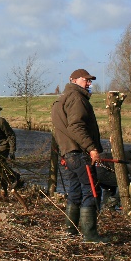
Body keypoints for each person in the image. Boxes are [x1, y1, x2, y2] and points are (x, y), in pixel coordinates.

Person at [51, 68, 106, 242]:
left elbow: (62, 130)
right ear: (74, 80)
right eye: (86, 80)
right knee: (91, 190)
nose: (89, 83)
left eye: (90, 81)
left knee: (75, 191)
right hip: (80, 153)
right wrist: (91, 148)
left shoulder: (61, 100)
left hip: (69, 154)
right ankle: (90, 235)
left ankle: (71, 230)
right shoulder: (77, 99)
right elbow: (75, 127)